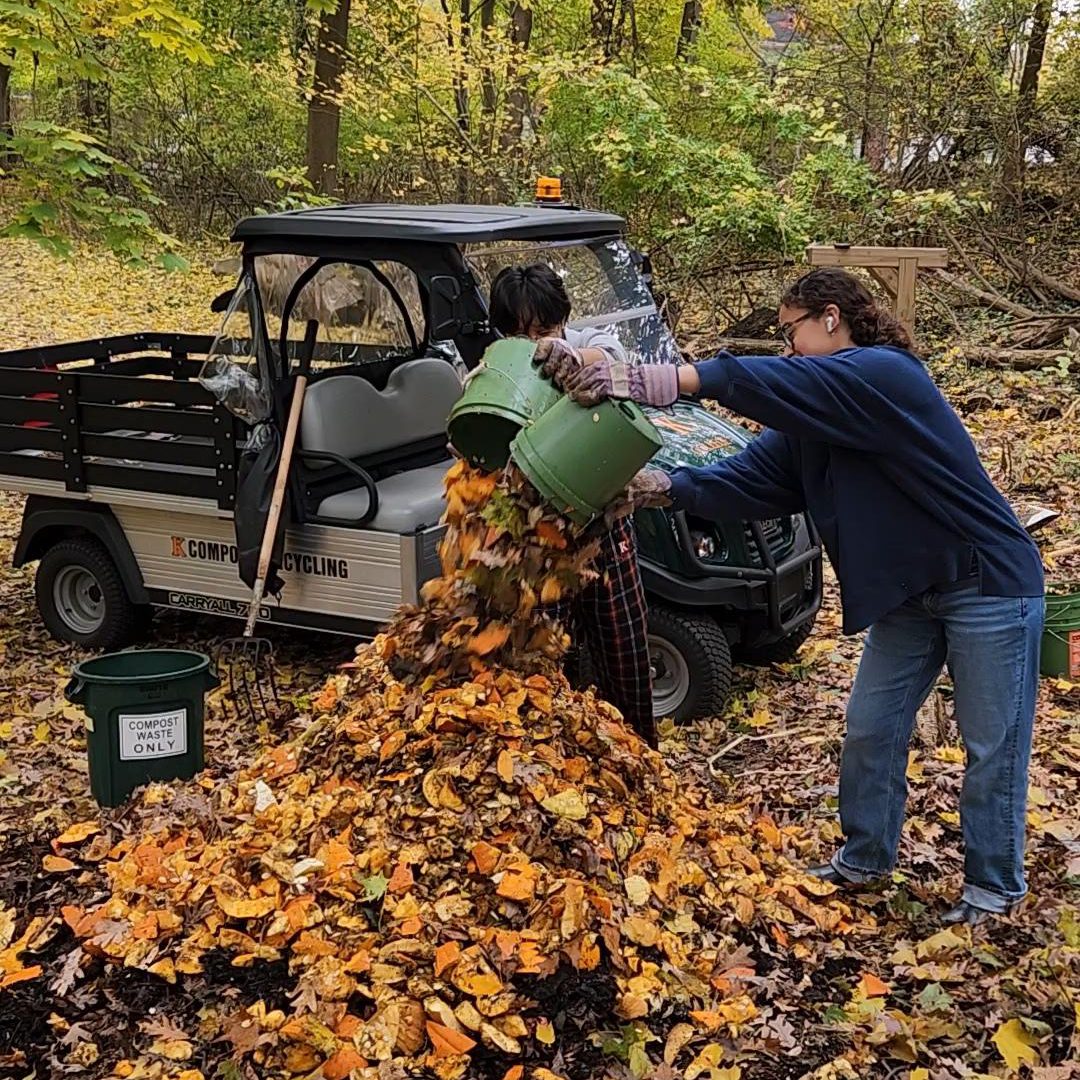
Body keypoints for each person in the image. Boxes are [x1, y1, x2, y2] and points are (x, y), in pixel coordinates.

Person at [544, 266, 1045, 925]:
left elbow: (767, 381)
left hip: (985, 584)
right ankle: (865, 860)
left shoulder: (885, 375)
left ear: (831, 317)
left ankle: (993, 889)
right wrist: (657, 488)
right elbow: (751, 479)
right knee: (871, 728)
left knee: (991, 746)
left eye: (791, 331)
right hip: (909, 598)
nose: (787, 348)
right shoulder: (816, 418)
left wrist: (645, 380)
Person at [487, 263, 658, 748]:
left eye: (544, 330)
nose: (534, 343)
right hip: (536, 540)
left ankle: (639, 756)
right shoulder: (495, 369)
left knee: (623, 649)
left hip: (601, 526)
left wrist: (572, 355)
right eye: (520, 334)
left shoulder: (587, 343)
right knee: (544, 661)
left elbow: (613, 356)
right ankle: (554, 764)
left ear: (562, 321)